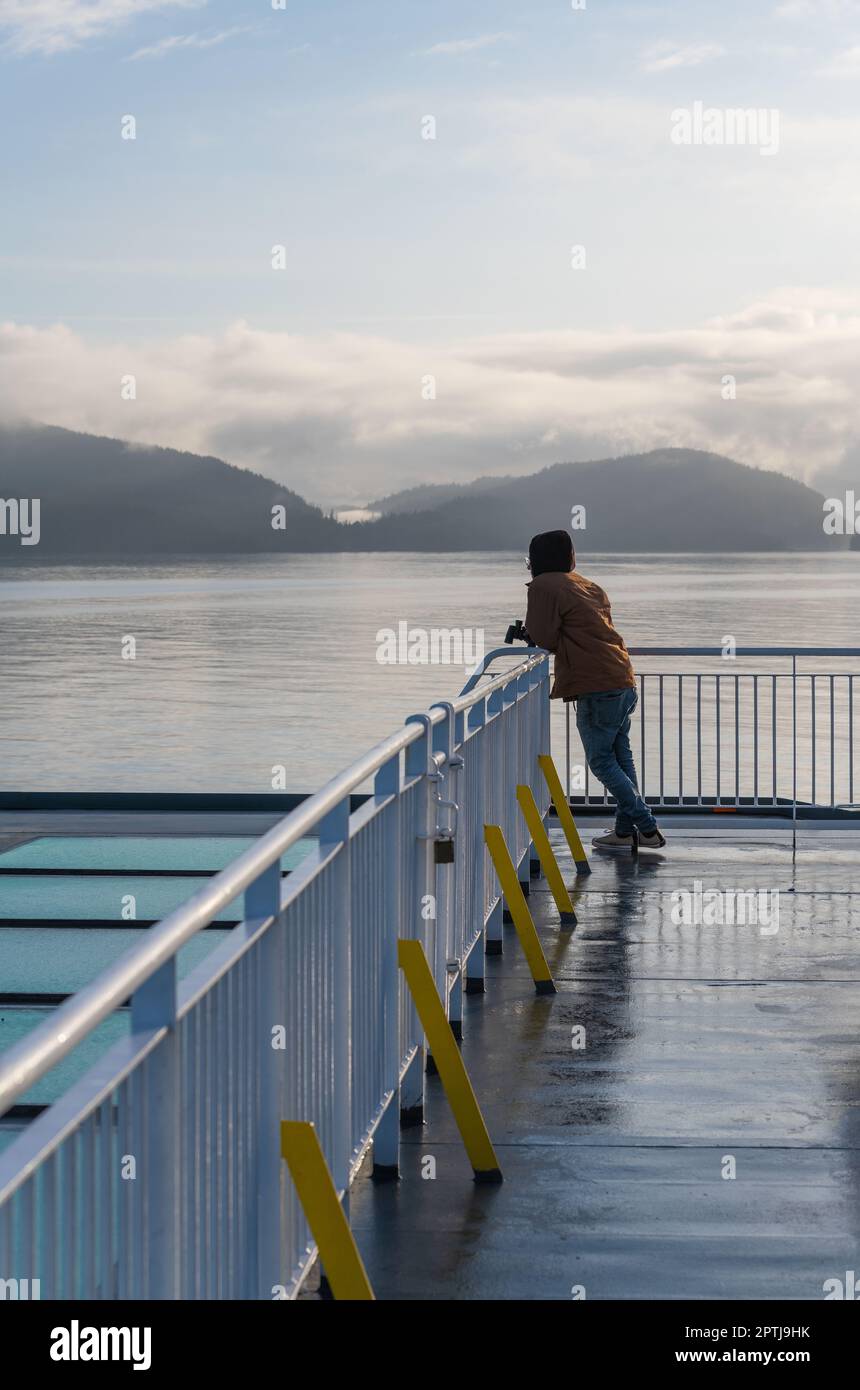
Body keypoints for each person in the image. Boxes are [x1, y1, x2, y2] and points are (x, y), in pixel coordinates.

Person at [523, 529, 666, 851]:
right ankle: (624, 830)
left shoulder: (544, 586)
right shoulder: (588, 585)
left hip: (596, 685)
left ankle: (646, 826)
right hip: (622, 678)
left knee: (601, 762)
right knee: (621, 758)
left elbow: (544, 637)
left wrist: (533, 636)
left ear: (536, 559)